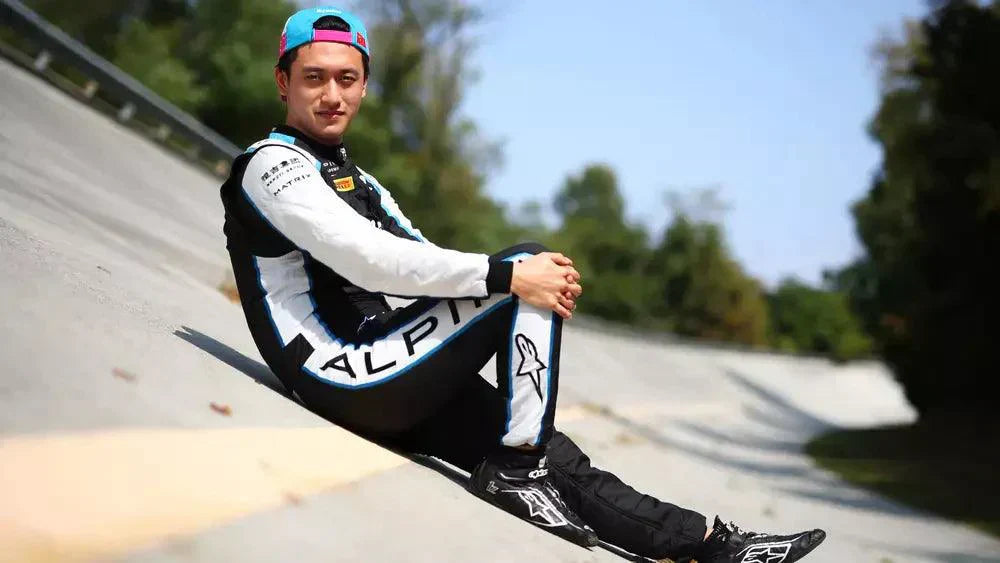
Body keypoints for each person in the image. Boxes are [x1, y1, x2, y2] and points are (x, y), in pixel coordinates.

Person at [219, 7, 827, 562]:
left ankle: (708, 545)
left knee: (556, 455)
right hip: (337, 373)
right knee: (525, 269)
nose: (332, 95)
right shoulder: (269, 165)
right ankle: (515, 469)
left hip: (391, 367)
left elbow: (424, 258)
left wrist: (519, 281)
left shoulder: (357, 179)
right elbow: (369, 261)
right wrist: (511, 276)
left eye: (346, 79)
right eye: (315, 78)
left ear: (364, 85)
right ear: (283, 82)